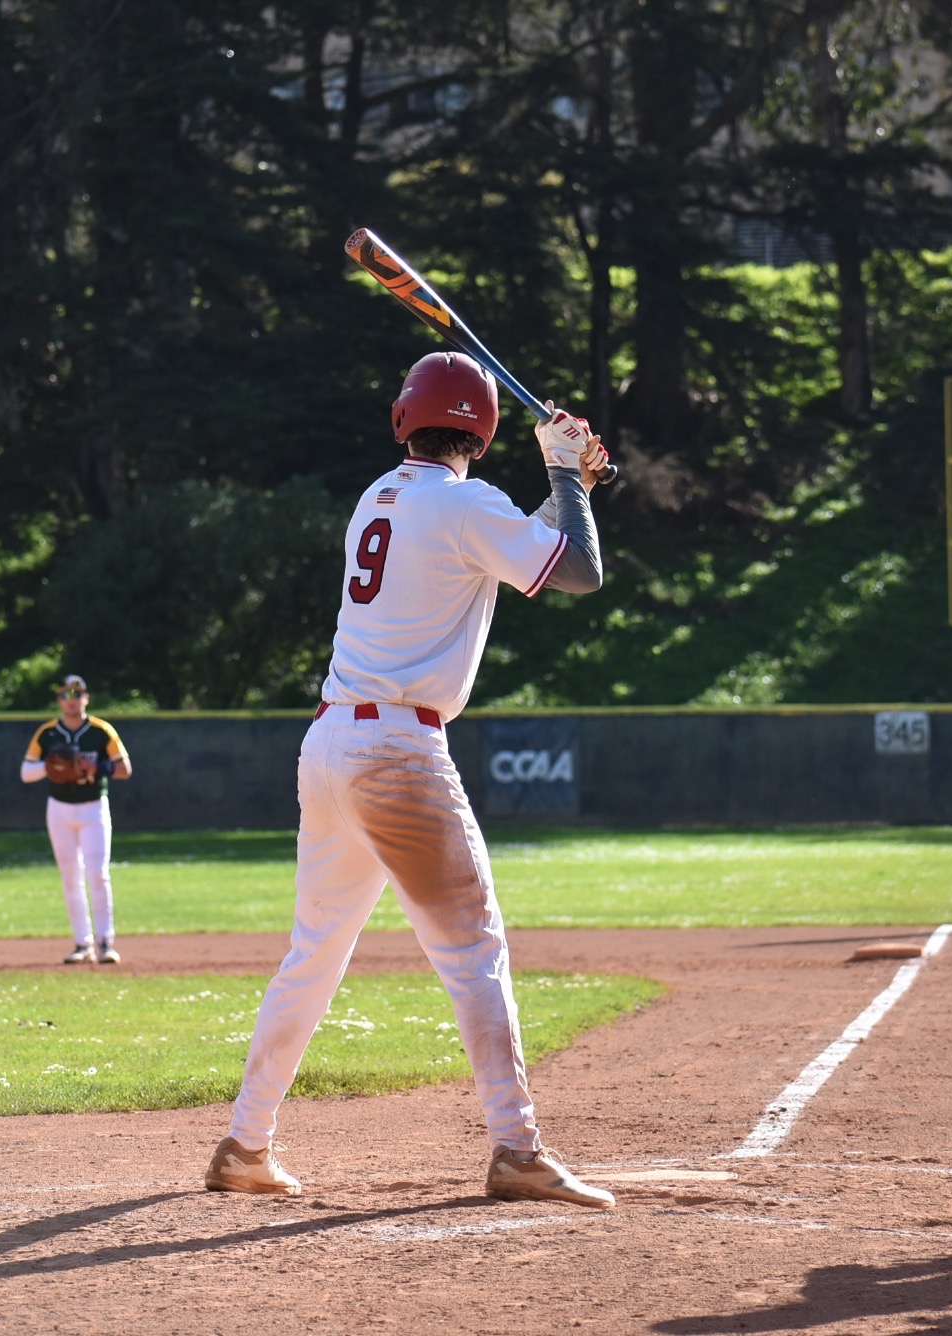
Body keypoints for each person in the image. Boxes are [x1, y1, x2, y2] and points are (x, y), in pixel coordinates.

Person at [204, 351, 616, 1209]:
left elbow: (528, 545)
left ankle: (246, 1142)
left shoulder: (381, 497)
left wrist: (571, 483)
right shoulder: (468, 505)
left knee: (313, 955)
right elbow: (578, 570)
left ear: (406, 418)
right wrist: (562, 468)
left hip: (330, 746)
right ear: (484, 428)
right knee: (475, 951)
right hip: (398, 753)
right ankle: (518, 1149)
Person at [21, 675, 131, 965]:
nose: (71, 698)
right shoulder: (48, 734)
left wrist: (95, 765)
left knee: (97, 873)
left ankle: (106, 942)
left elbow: (124, 769)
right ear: (59, 699)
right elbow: (26, 772)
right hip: (59, 808)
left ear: (86, 698)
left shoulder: (100, 731)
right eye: (66, 693)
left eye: (77, 693)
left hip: (93, 807)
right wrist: (53, 765)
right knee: (70, 877)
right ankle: (82, 943)